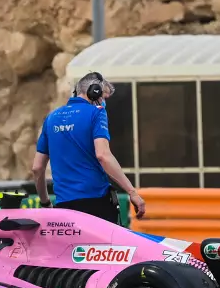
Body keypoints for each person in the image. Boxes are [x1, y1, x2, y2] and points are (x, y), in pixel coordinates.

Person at [31, 71, 146, 223]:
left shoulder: (52, 118)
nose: (104, 103)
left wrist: (45, 202)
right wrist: (132, 192)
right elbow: (103, 155)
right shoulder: (96, 113)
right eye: (104, 97)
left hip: (64, 207)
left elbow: (37, 168)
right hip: (97, 204)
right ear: (94, 92)